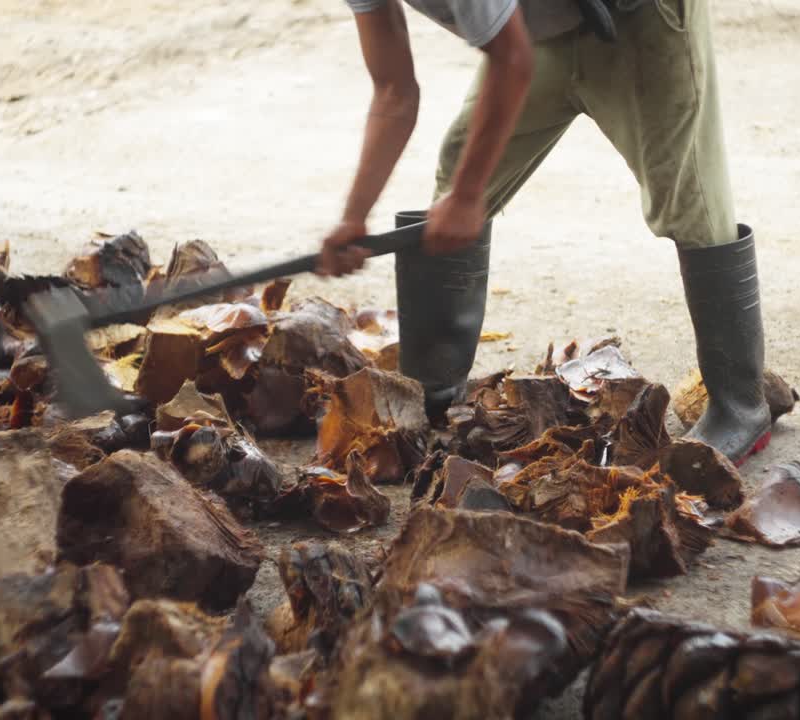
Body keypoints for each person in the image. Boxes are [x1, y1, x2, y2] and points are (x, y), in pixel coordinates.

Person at [318, 0, 771, 466]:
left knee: (690, 197)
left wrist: (469, 199)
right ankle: (431, 395)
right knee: (458, 175)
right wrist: (355, 217)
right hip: (542, 30)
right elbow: (394, 90)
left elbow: (511, 61)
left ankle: (740, 405)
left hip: (641, 20)